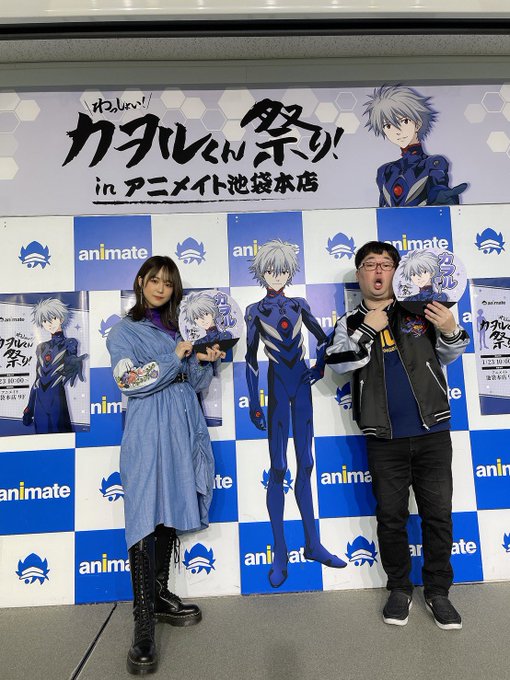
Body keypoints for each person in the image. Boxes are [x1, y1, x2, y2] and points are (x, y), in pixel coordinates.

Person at [325, 241, 469, 630]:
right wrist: (366, 330)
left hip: (432, 431)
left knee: (438, 515)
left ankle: (438, 592)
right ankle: (400, 589)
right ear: (359, 275)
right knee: (391, 518)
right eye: (370, 265)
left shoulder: (421, 309)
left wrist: (450, 328)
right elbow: (337, 362)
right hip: (383, 439)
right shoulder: (349, 322)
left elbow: (449, 352)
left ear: (397, 272)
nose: (377, 271)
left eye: (386, 264)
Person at [107, 255, 224, 675]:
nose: (161, 288)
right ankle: (142, 624)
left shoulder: (180, 328)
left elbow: (192, 383)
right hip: (146, 430)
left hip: (182, 427)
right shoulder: (123, 331)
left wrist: (204, 362)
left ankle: (158, 597)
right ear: (141, 282)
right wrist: (175, 357)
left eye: (168, 283)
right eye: (154, 280)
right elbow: (128, 381)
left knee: (171, 507)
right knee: (143, 515)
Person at [245, 238, 346, 588]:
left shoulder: (300, 304)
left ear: (290, 272)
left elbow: (325, 338)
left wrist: (320, 366)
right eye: (270, 270)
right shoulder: (255, 311)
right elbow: (250, 358)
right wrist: (254, 402)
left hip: (300, 384)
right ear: (261, 273)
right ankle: (280, 552)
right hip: (276, 385)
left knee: (306, 463)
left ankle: (312, 544)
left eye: (282, 270)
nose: (276, 275)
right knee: (278, 466)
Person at [363, 84, 467, 207]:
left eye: (404, 121)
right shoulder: (385, 171)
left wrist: (442, 198)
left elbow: (437, 189)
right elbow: (382, 208)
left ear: (417, 123)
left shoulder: (433, 163)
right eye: (388, 126)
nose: (397, 131)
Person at [22, 297, 87, 434]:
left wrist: (74, 363)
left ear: (61, 319)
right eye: (45, 320)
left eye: (53, 318)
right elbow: (37, 381)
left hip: (57, 401)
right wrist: (29, 408)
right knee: (42, 441)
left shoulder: (70, 343)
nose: (49, 323)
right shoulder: (41, 347)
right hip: (39, 404)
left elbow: (71, 358)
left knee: (63, 439)